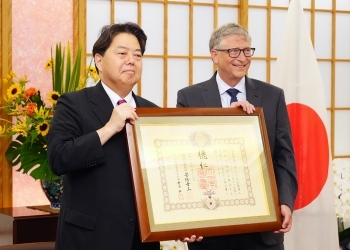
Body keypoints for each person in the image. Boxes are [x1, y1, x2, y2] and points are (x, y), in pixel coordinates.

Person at [177, 23, 298, 250]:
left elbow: (284, 157)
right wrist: (227, 120)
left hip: (263, 228)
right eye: (234, 51)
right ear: (215, 55)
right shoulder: (189, 97)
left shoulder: (273, 96)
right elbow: (186, 158)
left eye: (247, 50)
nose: (242, 57)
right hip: (211, 227)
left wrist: (285, 201)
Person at [47, 22, 159, 250]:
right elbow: (58, 159)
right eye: (122, 53)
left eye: (137, 55)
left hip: (141, 240)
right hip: (89, 238)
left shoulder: (152, 111)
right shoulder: (73, 103)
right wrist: (109, 128)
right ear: (98, 60)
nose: (131, 60)